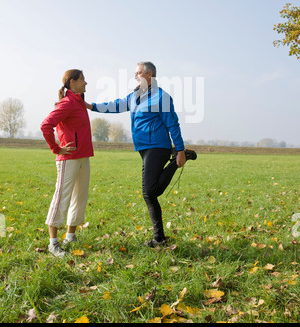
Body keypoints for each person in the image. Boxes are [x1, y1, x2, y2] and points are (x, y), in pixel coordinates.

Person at [86, 62, 196, 247]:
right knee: (150, 194)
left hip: (157, 146)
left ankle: (175, 162)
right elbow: (116, 105)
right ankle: (159, 238)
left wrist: (180, 150)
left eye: (138, 72)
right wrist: (91, 106)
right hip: (143, 148)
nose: (135, 76)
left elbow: (173, 124)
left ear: (149, 74)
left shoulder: (161, 97)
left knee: (150, 191)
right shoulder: (135, 95)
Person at [40, 70, 94, 257]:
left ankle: (70, 235)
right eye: (82, 80)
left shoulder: (79, 102)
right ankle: (53, 243)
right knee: (62, 197)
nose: (86, 83)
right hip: (68, 159)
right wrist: (56, 148)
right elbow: (46, 125)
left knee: (79, 198)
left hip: (83, 157)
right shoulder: (68, 103)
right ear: (72, 82)